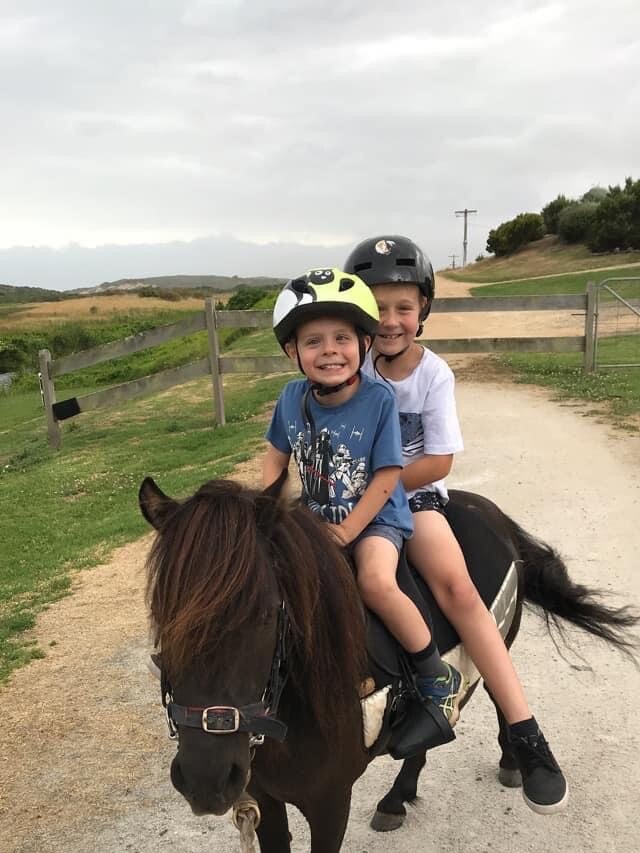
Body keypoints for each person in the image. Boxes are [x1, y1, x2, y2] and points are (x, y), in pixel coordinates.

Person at [343, 235, 568, 814]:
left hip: (412, 500)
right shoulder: (348, 363)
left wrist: (375, 495)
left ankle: (525, 731)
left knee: (457, 588)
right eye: (377, 307)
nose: (391, 321)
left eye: (404, 308)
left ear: (423, 312)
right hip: (343, 506)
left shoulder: (432, 375)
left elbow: (440, 462)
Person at [262, 268, 467, 742]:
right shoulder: (290, 398)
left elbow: (388, 475)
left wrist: (349, 531)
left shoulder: (378, 399)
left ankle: (434, 674)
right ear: (293, 352)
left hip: (376, 518)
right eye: (313, 341)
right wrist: (268, 515)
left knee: (374, 581)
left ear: (363, 343)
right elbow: (276, 455)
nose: (329, 350)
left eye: (342, 338)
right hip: (317, 519)